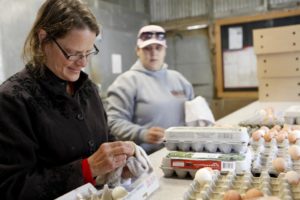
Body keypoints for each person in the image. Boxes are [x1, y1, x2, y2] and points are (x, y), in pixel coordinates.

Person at [0, 0, 136, 199]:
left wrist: (120, 159)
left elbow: (104, 138)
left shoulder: (87, 89)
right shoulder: (14, 99)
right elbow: (11, 187)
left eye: (88, 52)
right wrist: (86, 170)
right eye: (72, 53)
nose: (82, 63)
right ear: (43, 38)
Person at [106, 25, 194, 154]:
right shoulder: (126, 82)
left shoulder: (179, 79)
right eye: (147, 48)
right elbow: (114, 123)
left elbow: (194, 113)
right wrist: (143, 134)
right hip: (145, 159)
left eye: (158, 48)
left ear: (165, 50)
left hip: (181, 152)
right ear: (138, 50)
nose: (154, 53)